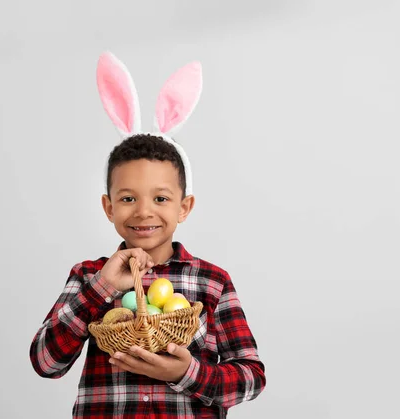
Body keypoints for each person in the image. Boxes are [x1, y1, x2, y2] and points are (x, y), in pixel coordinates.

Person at [30, 52, 266, 418]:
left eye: (160, 198)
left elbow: (251, 376)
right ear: (109, 208)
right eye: (127, 199)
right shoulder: (88, 276)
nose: (143, 211)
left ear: (183, 207)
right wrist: (103, 287)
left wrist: (186, 373)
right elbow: (46, 362)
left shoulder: (212, 282)